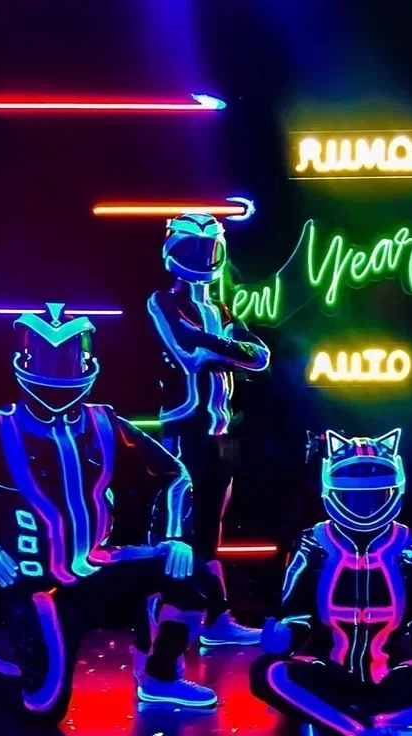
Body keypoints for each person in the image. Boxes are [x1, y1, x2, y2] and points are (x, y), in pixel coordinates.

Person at [0, 304, 224, 723]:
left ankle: (160, 676)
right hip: (35, 582)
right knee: (42, 706)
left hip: (99, 565)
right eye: (48, 359)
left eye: (67, 359)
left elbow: (174, 474)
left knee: (193, 574)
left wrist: (172, 536)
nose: (58, 374)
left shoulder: (105, 421)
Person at [250, 429, 412, 736]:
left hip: (393, 675)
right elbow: (296, 615)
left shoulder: (411, 544)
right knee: (270, 673)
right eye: (354, 497)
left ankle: (332, 724)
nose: (364, 506)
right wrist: (283, 638)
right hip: (326, 671)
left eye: (374, 497)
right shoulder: (311, 543)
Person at [148, 211, 270, 647]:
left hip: (220, 433)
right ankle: (162, 621)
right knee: (175, 529)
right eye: (192, 247)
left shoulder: (219, 309)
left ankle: (215, 617)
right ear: (172, 250)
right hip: (183, 427)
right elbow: (185, 351)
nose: (201, 256)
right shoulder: (163, 302)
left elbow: (260, 356)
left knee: (208, 530)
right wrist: (228, 350)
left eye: (208, 248)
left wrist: (212, 347)